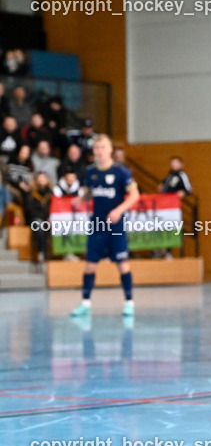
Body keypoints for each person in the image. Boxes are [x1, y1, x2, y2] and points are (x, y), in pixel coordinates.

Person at [69, 134, 139, 321]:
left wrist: (119, 210)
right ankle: (85, 303)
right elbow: (91, 193)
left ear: (110, 150)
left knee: (122, 264)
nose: (99, 151)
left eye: (103, 147)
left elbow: (134, 196)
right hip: (97, 225)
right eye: (96, 148)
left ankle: (129, 303)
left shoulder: (121, 171)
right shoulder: (90, 171)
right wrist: (80, 199)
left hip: (115, 226)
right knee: (90, 264)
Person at [25, 172, 53, 263]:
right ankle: (42, 252)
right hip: (37, 218)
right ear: (36, 181)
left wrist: (49, 218)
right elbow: (31, 210)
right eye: (39, 179)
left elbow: (54, 207)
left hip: (50, 218)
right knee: (38, 226)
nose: (41, 180)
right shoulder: (32, 194)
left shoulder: (52, 193)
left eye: (43, 178)